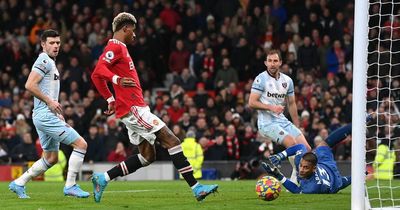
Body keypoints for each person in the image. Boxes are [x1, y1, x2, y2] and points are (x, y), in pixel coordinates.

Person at [90, 12, 218, 203]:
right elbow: (98, 70)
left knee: (148, 156)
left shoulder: (121, 49)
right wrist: (116, 80)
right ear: (125, 28)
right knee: (172, 141)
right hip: (134, 109)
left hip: (131, 109)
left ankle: (103, 178)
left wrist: (110, 99)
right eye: (133, 30)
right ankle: (196, 187)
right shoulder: (115, 47)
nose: (135, 34)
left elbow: (96, 77)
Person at [9, 29, 89, 199]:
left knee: (51, 158)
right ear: (43, 44)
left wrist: (54, 109)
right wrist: (50, 102)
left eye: (58, 43)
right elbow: (29, 85)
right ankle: (70, 186)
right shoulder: (44, 60)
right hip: (45, 115)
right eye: (51, 43)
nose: (56, 46)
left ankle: (19, 183)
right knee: (81, 145)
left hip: (44, 115)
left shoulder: (50, 62)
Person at [248, 49, 311, 183]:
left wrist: (297, 125)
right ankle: (296, 180)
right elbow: (251, 102)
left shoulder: (287, 80)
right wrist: (271, 107)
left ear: (280, 63)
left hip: (282, 121)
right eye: (269, 61)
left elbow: (292, 103)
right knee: (292, 144)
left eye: (275, 61)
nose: (272, 64)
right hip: (267, 123)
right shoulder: (261, 79)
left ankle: (298, 177)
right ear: (265, 63)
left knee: (306, 149)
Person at [262, 124, 353, 193]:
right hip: (325, 162)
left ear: (314, 169)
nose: (301, 169)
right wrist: (280, 156)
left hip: (333, 180)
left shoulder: (312, 188)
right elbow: (300, 146)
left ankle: (357, 124)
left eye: (306, 167)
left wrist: (278, 176)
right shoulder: (300, 162)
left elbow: (296, 190)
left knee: (340, 183)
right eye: (301, 166)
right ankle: (352, 126)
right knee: (323, 144)